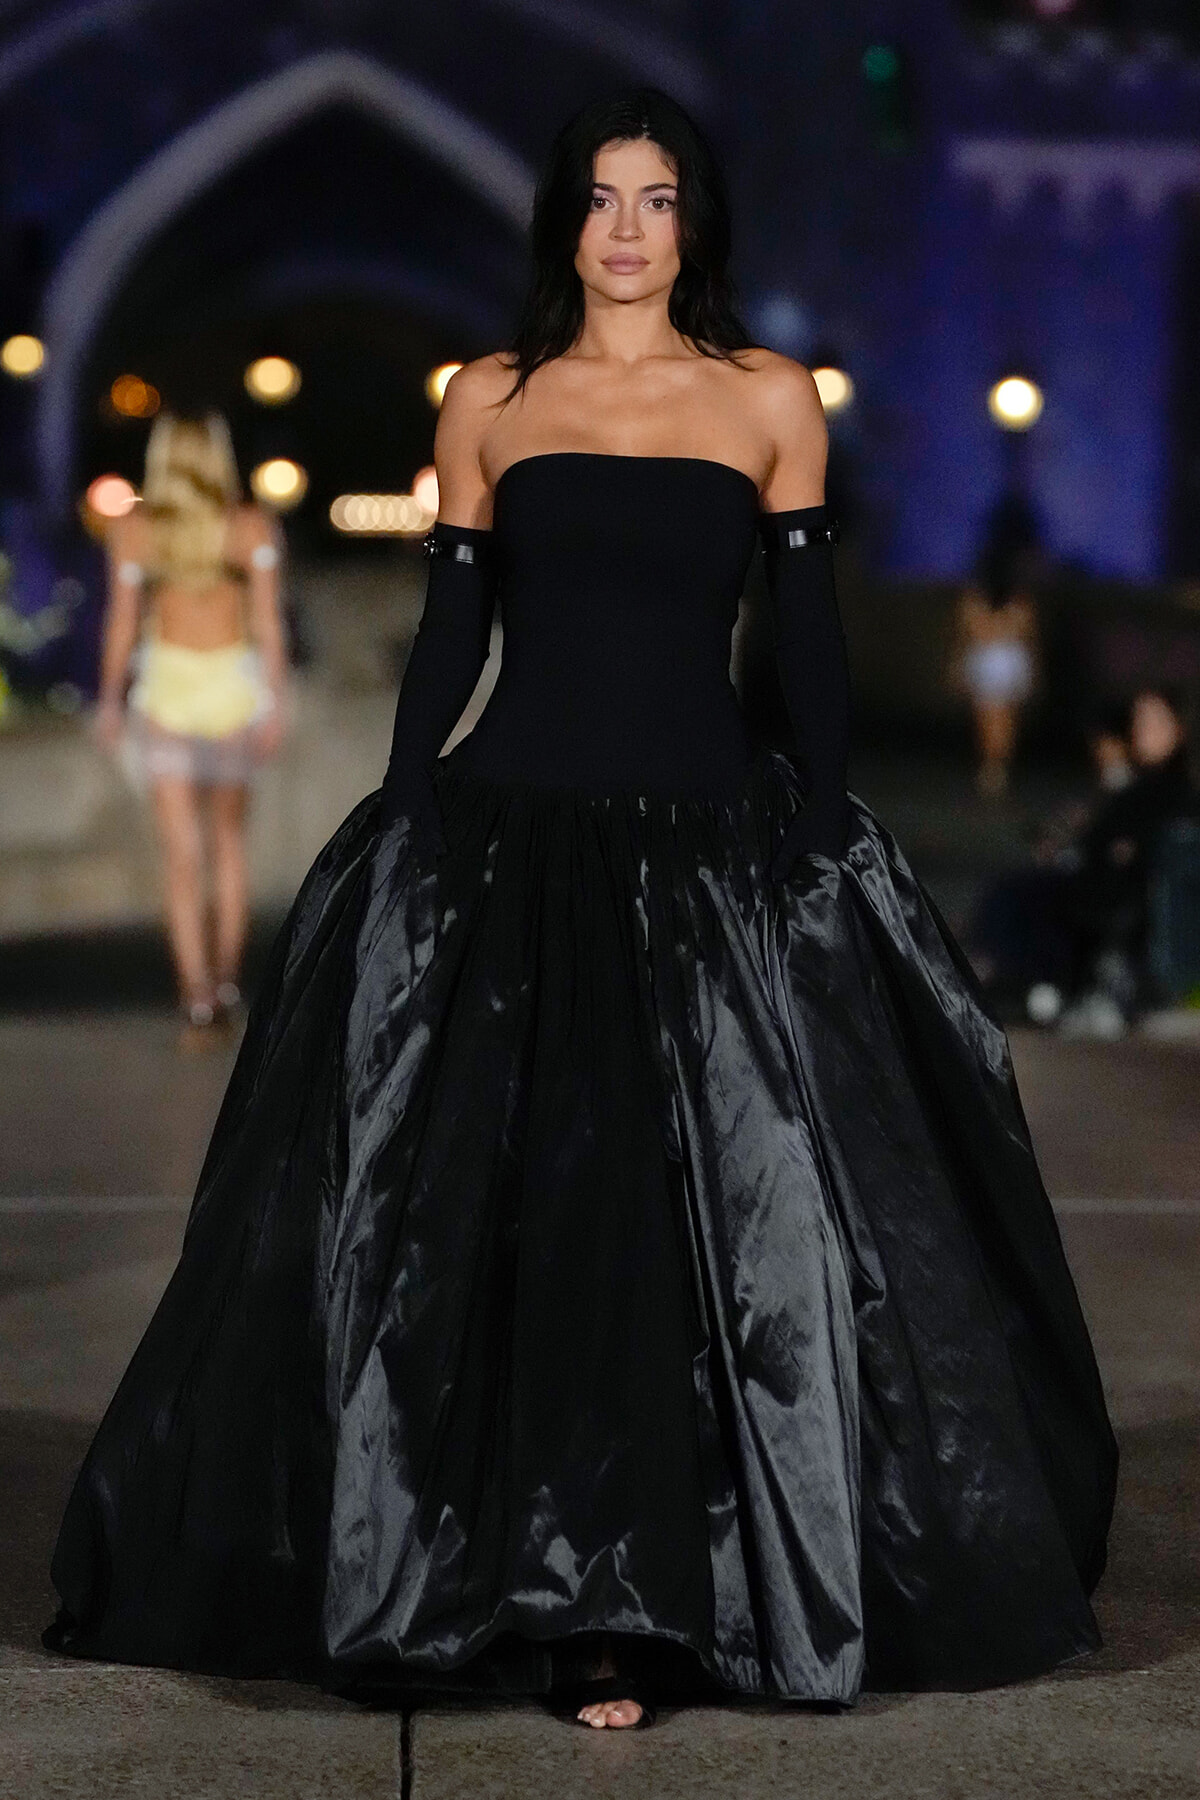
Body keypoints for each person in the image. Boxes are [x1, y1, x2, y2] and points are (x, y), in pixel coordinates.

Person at [46, 91, 1115, 1731]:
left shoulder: (767, 399)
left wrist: (824, 815)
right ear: (564, 219)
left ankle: (646, 1601)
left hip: (711, 853)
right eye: (602, 198)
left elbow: (807, 639)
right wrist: (408, 805)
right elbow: (451, 629)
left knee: (703, 1240)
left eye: (657, 198)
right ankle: (523, 1590)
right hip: (512, 845)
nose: (627, 228)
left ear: (695, 223)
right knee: (511, 1229)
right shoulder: (490, 398)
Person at [94, 414, 287, 1047]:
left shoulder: (135, 532)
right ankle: (223, 986)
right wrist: (275, 700)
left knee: (182, 857)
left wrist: (109, 700)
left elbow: (123, 624)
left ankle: (197, 996)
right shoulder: (251, 526)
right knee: (228, 846)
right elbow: (268, 621)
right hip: (233, 689)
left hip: (168, 694)